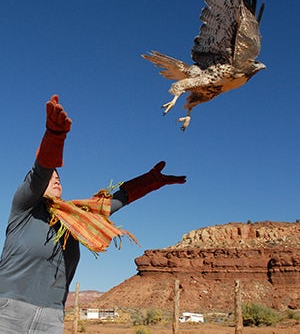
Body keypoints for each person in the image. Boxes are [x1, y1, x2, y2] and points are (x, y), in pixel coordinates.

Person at [0, 95, 186, 334]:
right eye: (51, 177)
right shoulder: (24, 209)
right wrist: (55, 135)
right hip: (8, 312)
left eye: (59, 177)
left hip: (51, 318)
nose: (56, 178)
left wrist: (150, 181)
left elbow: (115, 202)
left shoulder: (77, 220)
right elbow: (40, 171)